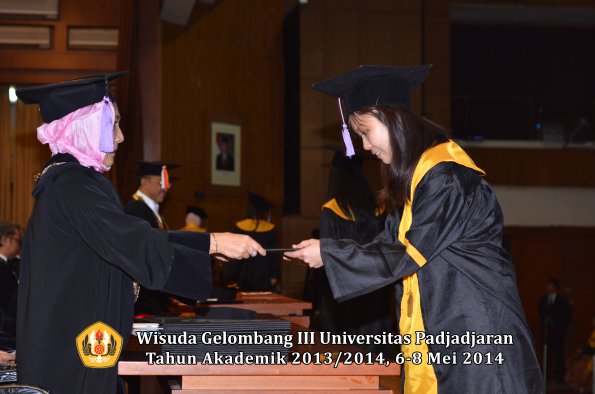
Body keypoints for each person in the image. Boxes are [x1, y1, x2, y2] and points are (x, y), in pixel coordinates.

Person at [285, 65, 543, 393]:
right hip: (443, 337)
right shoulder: (415, 185)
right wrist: (325, 253)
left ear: (393, 118)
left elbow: (408, 252)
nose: (364, 147)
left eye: (366, 132)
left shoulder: (448, 178)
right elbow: (386, 243)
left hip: (480, 343)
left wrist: (330, 252)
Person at [15, 72, 265, 394]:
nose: (119, 137)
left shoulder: (71, 180)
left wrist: (207, 244)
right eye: (112, 124)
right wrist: (214, 241)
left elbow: (128, 235)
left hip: (78, 339)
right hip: (71, 352)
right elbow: (131, 240)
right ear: (84, 128)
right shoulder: (73, 183)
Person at [309, 147, 391, 355]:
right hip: (374, 288)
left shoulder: (331, 210)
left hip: (342, 290)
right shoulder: (377, 208)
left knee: (344, 351)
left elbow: (325, 257)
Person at [126, 161, 180, 314]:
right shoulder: (136, 209)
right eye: (160, 183)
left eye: (167, 183)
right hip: (145, 296)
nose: (165, 188)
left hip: (156, 292)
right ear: (144, 182)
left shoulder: (151, 209)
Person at [225, 193, 280, 291]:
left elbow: (233, 251)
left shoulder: (239, 226)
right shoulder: (270, 229)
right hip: (263, 274)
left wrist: (231, 273)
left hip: (242, 273)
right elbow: (274, 255)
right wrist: (274, 275)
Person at [539, 278, 572, 382]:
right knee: (546, 354)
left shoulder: (562, 300)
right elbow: (541, 312)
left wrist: (561, 327)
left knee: (559, 354)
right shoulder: (543, 299)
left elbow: (567, 316)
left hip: (558, 332)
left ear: (555, 287)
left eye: (550, 285)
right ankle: (546, 376)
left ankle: (560, 376)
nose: (547, 287)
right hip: (547, 332)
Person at [0, 222, 21, 350]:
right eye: (18, 240)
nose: (20, 245)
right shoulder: (2, 269)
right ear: (5, 240)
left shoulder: (11, 265)